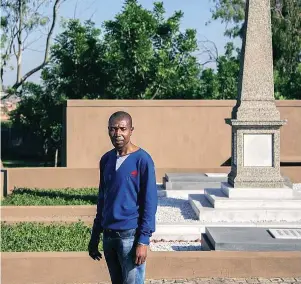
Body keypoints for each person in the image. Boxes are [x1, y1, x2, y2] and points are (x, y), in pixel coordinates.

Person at [88, 111, 158, 284]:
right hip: (109, 236)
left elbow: (150, 203)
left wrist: (143, 241)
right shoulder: (106, 160)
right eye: (113, 129)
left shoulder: (142, 160)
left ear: (131, 130)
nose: (117, 133)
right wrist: (95, 235)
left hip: (130, 237)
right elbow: (102, 200)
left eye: (122, 129)